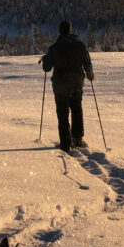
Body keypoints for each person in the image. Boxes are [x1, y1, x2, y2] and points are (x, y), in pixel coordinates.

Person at [42, 20, 94, 152]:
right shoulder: (80, 46)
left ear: (60, 31)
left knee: (62, 113)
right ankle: (78, 138)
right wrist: (89, 73)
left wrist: (46, 59)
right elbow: (87, 62)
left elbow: (47, 68)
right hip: (76, 82)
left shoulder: (54, 48)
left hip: (60, 85)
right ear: (70, 30)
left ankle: (65, 143)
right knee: (77, 109)